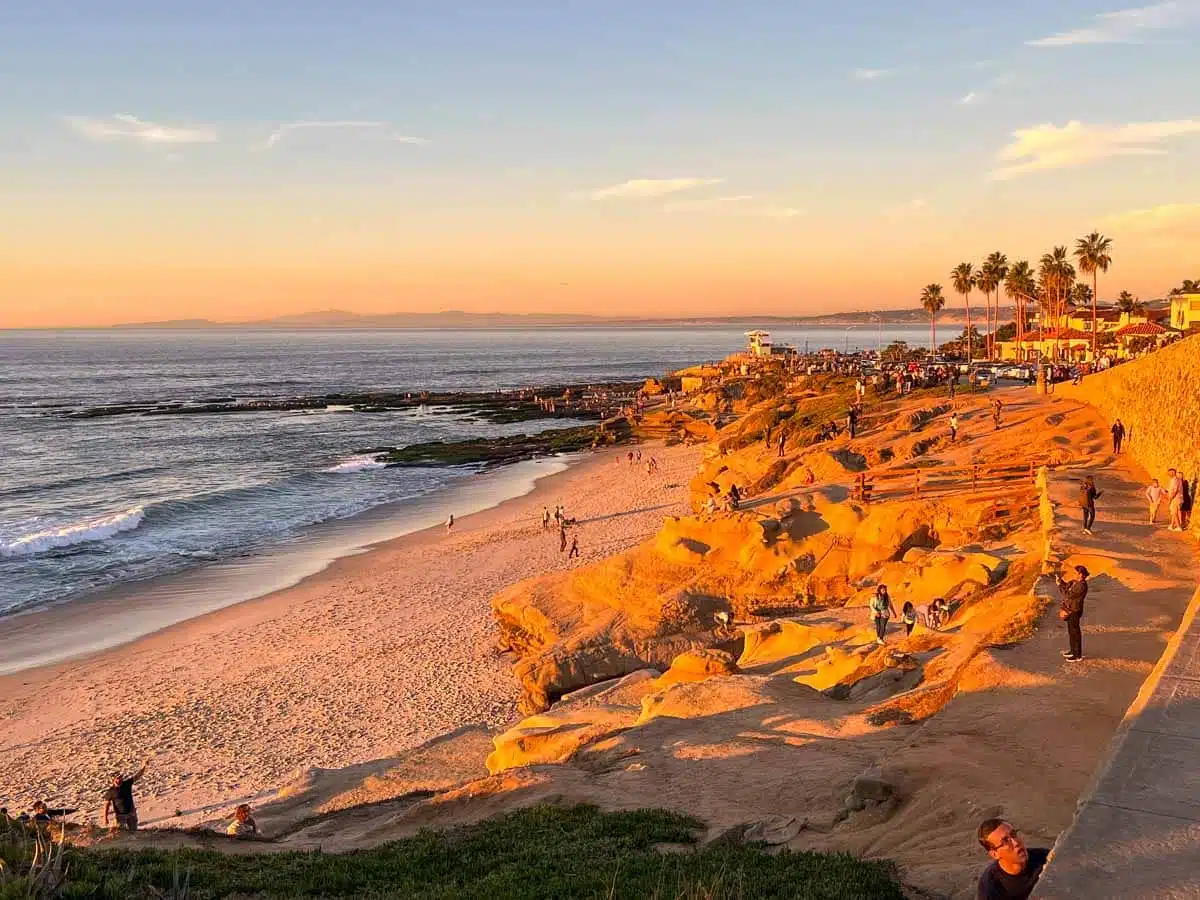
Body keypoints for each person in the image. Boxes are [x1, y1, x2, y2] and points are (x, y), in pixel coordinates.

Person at [976, 818, 1049, 900]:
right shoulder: (990, 889)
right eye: (1005, 841)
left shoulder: (1045, 858)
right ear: (995, 854)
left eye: (1013, 834)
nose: (1016, 842)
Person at [1056, 565, 1089, 662]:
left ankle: (1077, 655)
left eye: (1075, 572)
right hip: (1070, 610)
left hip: (1075, 611)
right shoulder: (1075, 582)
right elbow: (1066, 587)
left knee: (1075, 633)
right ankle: (1072, 651)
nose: (1073, 574)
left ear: (1081, 574)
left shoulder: (1082, 585)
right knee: (1071, 632)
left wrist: (1059, 586)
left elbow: (1068, 595)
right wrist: (1060, 582)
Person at [104, 760, 148, 831]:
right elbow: (106, 805)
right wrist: (105, 818)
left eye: (120, 777)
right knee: (121, 833)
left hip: (131, 814)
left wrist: (144, 767)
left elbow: (137, 776)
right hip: (120, 816)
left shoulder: (127, 784)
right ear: (113, 780)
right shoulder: (111, 791)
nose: (119, 779)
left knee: (134, 831)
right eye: (117, 778)